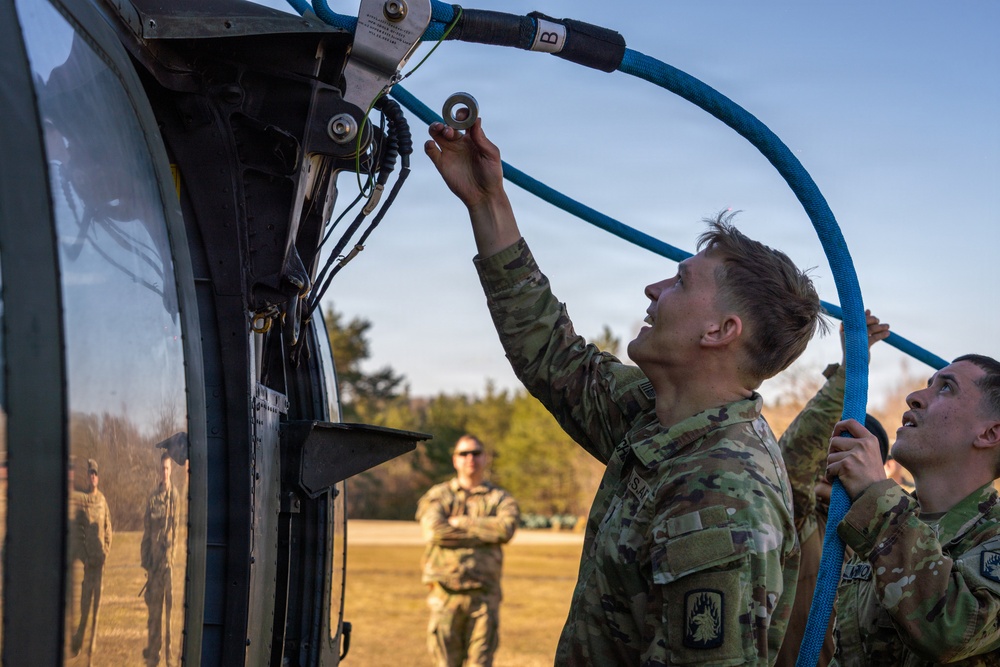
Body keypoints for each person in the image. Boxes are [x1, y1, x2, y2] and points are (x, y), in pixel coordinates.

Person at [425, 118, 826, 664]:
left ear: (720, 331)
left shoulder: (724, 495)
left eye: (680, 281)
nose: (653, 288)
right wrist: (486, 202)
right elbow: (553, 356)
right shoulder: (658, 417)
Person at [826, 354, 1000, 664]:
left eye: (946, 388)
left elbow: (950, 629)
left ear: (989, 433)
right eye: (928, 384)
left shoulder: (882, 514)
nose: (914, 397)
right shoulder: (879, 520)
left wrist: (874, 494)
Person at [775, 311, 890, 667]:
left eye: (850, 458)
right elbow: (790, 462)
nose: (833, 467)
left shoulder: (887, 540)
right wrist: (850, 371)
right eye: (829, 452)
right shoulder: (797, 521)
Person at [416, 435, 520, 667]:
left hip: (484, 598)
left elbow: (505, 530)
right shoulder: (439, 495)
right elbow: (434, 532)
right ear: (455, 460)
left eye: (476, 453)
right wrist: (484, 531)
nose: (470, 458)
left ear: (485, 458)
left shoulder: (500, 498)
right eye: (464, 453)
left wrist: (460, 523)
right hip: (445, 595)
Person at [71, 458, 112, 659]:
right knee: (85, 606)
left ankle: (91, 646)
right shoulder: (83, 503)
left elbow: (108, 529)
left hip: (100, 564)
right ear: (88, 477)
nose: (93, 477)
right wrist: (84, 558)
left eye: (95, 473)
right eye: (91, 474)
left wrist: (106, 552)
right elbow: (78, 536)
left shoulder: (103, 501)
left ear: (98, 477)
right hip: (89, 565)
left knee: (97, 607)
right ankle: (78, 639)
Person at [141, 451, 179, 667]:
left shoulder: (175, 497)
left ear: (171, 470)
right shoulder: (153, 498)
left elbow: (176, 531)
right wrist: (146, 562)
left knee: (169, 617)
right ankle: (153, 657)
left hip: (168, 567)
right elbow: (146, 534)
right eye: (162, 468)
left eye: (167, 468)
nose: (164, 472)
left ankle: (170, 658)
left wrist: (169, 559)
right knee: (154, 613)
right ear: (159, 470)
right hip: (154, 567)